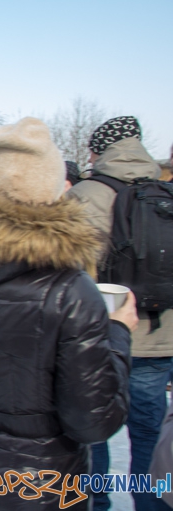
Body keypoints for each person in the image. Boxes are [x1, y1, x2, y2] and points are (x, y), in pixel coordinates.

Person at [0, 118, 135, 510]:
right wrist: (118, 333)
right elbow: (94, 421)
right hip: (42, 485)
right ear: (51, 189)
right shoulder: (70, 291)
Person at [69, 116, 171, 511]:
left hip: (102, 335)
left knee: (93, 431)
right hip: (160, 336)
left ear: (98, 151)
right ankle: (150, 504)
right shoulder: (164, 190)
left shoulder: (86, 194)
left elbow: (71, 269)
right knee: (148, 433)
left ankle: (97, 503)